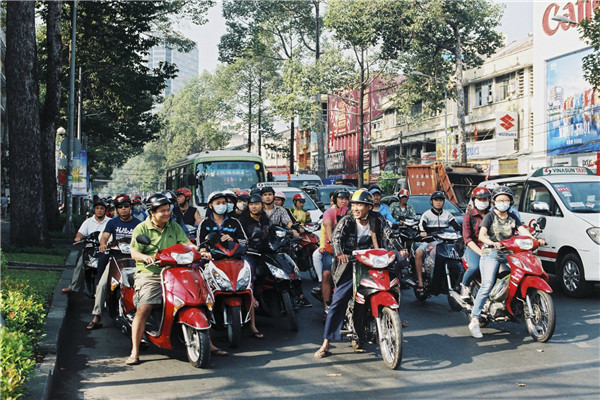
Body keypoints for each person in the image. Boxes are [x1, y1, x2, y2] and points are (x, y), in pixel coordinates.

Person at [126, 193, 225, 366]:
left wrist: (199, 251)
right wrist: (145, 257)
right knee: (145, 306)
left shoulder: (174, 226)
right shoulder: (141, 228)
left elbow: (187, 243)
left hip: (176, 270)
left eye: (168, 210)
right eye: (162, 211)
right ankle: (135, 351)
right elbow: (134, 252)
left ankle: (208, 343)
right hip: (151, 273)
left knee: (200, 299)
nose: (166, 213)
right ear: (152, 212)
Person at [314, 189, 406, 358]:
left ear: (369, 207)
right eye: (354, 204)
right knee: (338, 301)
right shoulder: (347, 221)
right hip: (351, 263)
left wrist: (400, 249)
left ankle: (394, 317)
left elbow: (389, 235)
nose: (356, 208)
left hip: (375, 261)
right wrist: (340, 253)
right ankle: (326, 343)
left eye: (360, 205)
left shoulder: (378, 219)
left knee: (394, 284)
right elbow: (336, 238)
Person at [468, 186, 544, 339]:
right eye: (500, 199)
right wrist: (492, 243)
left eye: (506, 200)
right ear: (494, 201)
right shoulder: (489, 217)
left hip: (510, 254)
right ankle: (475, 319)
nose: (503, 202)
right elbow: (482, 236)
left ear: (510, 202)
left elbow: (523, 231)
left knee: (520, 274)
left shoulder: (512, 217)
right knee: (487, 284)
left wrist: (535, 241)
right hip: (492, 253)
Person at [198, 191, 263, 339]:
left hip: (234, 259)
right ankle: (202, 324)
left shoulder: (234, 222)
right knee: (199, 281)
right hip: (212, 260)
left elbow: (244, 241)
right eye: (218, 203)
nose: (221, 206)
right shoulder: (205, 223)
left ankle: (252, 326)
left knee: (248, 284)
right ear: (211, 206)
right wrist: (204, 252)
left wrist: (232, 238)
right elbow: (199, 245)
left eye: (223, 203)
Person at [86, 194, 141, 330]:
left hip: (134, 259)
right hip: (116, 258)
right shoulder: (112, 222)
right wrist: (103, 244)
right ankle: (96, 316)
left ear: (131, 207)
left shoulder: (139, 224)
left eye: (126, 206)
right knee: (102, 285)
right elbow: (104, 237)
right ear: (116, 209)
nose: (123, 209)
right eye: (120, 207)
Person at [261, 186, 310, 307]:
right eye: (265, 195)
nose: (268, 197)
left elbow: (288, 223)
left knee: (292, 266)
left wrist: (293, 230)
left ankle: (300, 296)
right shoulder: (258, 210)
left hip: (279, 243)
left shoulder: (282, 210)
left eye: (270, 194)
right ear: (261, 197)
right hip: (262, 246)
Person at [414, 191, 461, 292]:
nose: (438, 202)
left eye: (440, 200)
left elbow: (456, 225)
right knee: (418, 253)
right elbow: (421, 225)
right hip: (429, 240)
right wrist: (422, 232)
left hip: (444, 242)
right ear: (432, 202)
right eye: (436, 200)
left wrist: (461, 230)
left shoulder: (448, 214)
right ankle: (420, 281)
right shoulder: (426, 214)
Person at [62, 199, 111, 294]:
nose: (99, 210)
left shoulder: (110, 221)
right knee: (80, 265)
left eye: (102, 208)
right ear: (94, 210)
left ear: (105, 210)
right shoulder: (88, 222)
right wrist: (79, 238)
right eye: (97, 208)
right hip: (90, 248)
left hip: (106, 249)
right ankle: (73, 287)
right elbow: (79, 234)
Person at [313, 188, 349, 317]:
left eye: (346, 199)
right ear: (335, 200)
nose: (343, 201)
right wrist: (333, 244)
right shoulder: (329, 212)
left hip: (349, 250)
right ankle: (326, 306)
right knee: (327, 274)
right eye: (341, 199)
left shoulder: (351, 213)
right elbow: (328, 225)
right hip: (332, 250)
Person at [460, 187, 492, 301]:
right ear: (474, 200)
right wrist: (480, 252)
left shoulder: (493, 215)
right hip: (474, 248)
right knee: (475, 267)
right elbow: (467, 239)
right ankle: (464, 285)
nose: (483, 202)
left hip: (492, 248)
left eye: (485, 200)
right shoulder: (469, 216)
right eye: (480, 199)